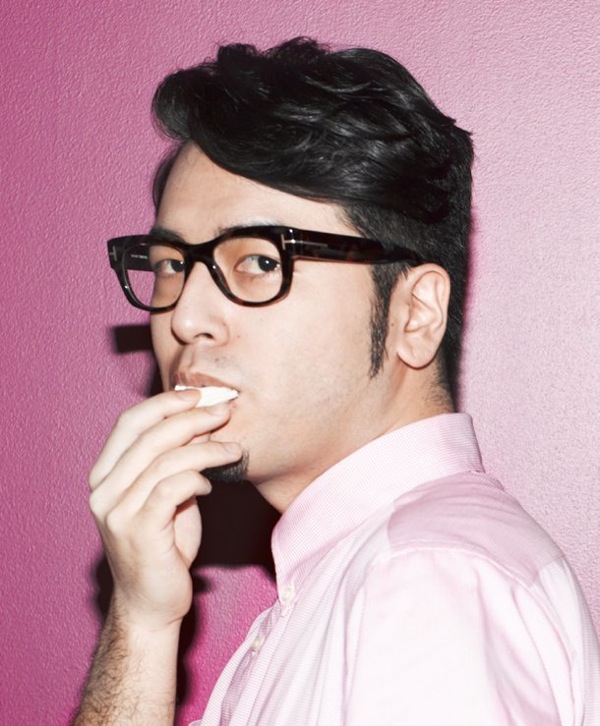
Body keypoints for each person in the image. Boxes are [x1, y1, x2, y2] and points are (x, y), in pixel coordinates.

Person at [75, 38, 600, 725]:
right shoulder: (358, 578)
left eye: (260, 261)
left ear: (415, 314)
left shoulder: (423, 580)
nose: (186, 317)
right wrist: (142, 621)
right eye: (173, 264)